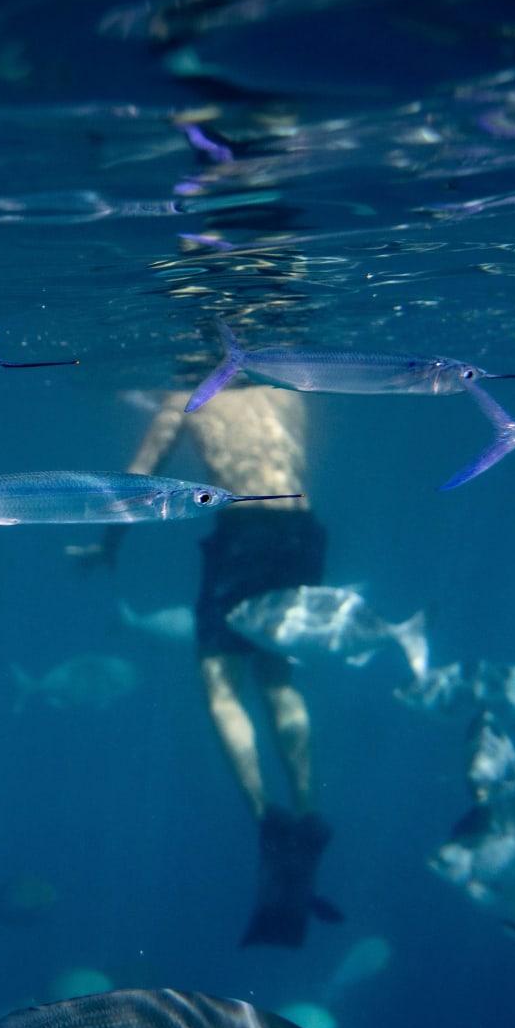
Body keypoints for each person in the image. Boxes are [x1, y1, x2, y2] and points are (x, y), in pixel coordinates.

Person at [87, 383, 336, 946]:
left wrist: (108, 547)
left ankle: (268, 820)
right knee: (279, 678)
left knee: (221, 684)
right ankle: (309, 810)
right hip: (301, 533)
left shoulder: (187, 395)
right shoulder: (288, 391)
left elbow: (139, 479)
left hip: (245, 532)